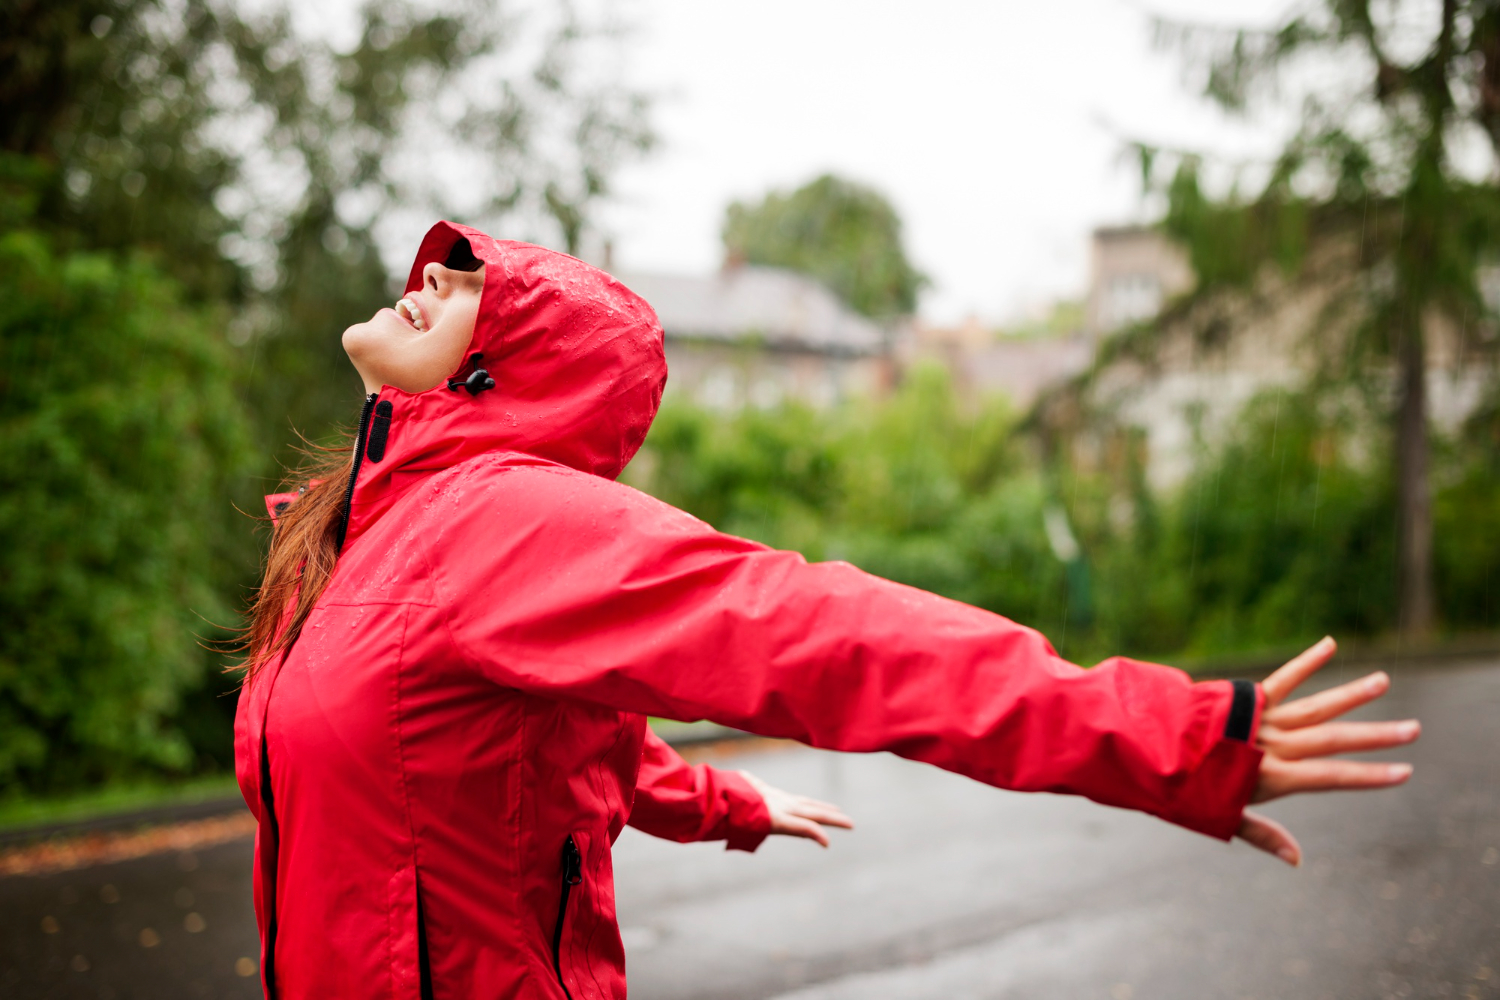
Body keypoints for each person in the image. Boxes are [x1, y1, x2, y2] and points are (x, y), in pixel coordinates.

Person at [235, 222, 1419, 1000]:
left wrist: (1169, 738)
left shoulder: (503, 525)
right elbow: (519, 742)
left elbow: (826, 632)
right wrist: (722, 798)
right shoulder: (348, 536)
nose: (425, 281)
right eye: (432, 270)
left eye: (465, 286)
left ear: (511, 367)